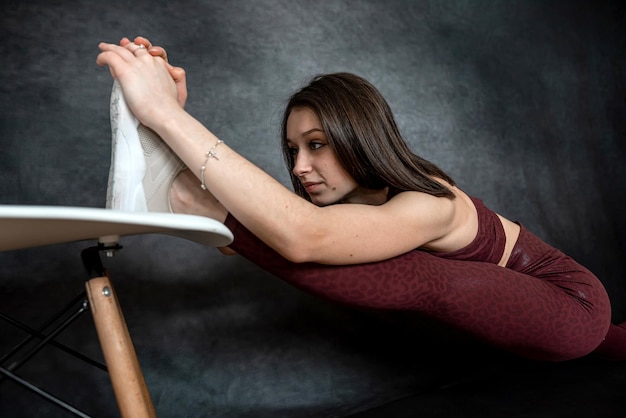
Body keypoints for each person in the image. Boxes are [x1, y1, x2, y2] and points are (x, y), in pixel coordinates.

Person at [96, 36, 625, 362]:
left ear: (361, 138)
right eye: (293, 150)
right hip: (527, 320)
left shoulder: (431, 202)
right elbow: (260, 233)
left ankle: (183, 196)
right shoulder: (347, 213)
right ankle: (178, 190)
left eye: (318, 145)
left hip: (571, 308)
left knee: (419, 275)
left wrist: (169, 117)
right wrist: (171, 139)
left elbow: (300, 237)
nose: (300, 167)